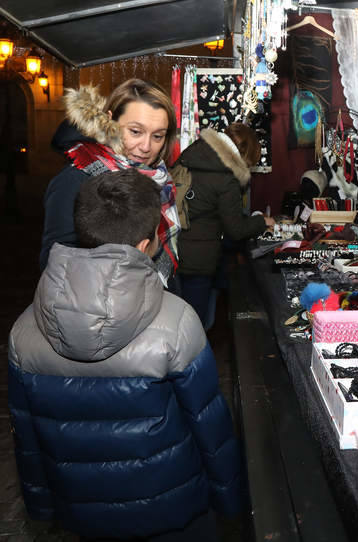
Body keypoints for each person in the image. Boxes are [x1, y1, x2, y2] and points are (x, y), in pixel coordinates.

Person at [9, 170, 243, 540]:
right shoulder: (177, 320)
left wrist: (41, 510)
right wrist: (231, 503)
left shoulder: (24, 330)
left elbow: (27, 438)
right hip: (171, 509)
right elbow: (209, 427)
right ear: (145, 245)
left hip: (81, 511)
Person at [40, 78, 180, 285]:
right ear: (110, 121)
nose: (146, 146)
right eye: (135, 131)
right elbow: (55, 266)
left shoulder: (161, 179)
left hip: (154, 304)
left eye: (158, 136)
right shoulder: (76, 179)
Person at [175, 123, 274, 326]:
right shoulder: (225, 177)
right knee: (197, 326)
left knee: (179, 320)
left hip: (174, 249)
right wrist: (262, 222)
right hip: (198, 260)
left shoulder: (194, 152)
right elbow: (236, 230)